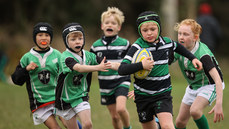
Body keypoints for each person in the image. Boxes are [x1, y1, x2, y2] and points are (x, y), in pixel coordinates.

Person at [118, 11, 202, 129]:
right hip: (143, 96)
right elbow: (122, 69)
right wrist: (141, 65)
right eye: (145, 30)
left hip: (162, 94)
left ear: (159, 28)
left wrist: (193, 58)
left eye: (153, 29)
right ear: (140, 31)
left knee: (167, 126)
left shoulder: (167, 43)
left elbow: (178, 47)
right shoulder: (137, 47)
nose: (149, 33)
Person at [55, 22, 112, 129]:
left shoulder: (89, 55)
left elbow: (107, 63)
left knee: (87, 124)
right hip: (65, 99)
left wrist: (128, 67)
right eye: (73, 39)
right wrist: (98, 68)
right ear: (66, 42)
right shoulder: (65, 57)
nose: (77, 41)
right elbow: (79, 68)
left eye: (80, 38)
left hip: (81, 96)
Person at [173, 19, 224, 129]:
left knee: (195, 111)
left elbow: (218, 79)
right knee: (180, 123)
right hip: (193, 87)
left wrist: (219, 104)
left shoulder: (202, 55)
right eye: (180, 33)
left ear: (195, 37)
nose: (181, 37)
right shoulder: (178, 49)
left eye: (186, 34)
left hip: (210, 85)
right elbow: (164, 62)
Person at [11, 22, 64, 129]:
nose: (43, 38)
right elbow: (16, 79)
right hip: (39, 102)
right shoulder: (27, 57)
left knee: (70, 124)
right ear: (34, 38)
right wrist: (26, 69)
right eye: (40, 35)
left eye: (47, 35)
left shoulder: (58, 55)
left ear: (51, 38)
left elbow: (66, 74)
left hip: (58, 98)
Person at [90, 7, 132, 129]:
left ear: (119, 27)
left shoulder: (125, 44)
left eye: (113, 23)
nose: (110, 25)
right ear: (102, 26)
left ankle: (128, 127)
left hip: (121, 80)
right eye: (107, 23)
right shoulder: (95, 46)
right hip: (105, 84)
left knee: (121, 108)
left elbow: (131, 62)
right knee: (114, 117)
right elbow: (89, 62)